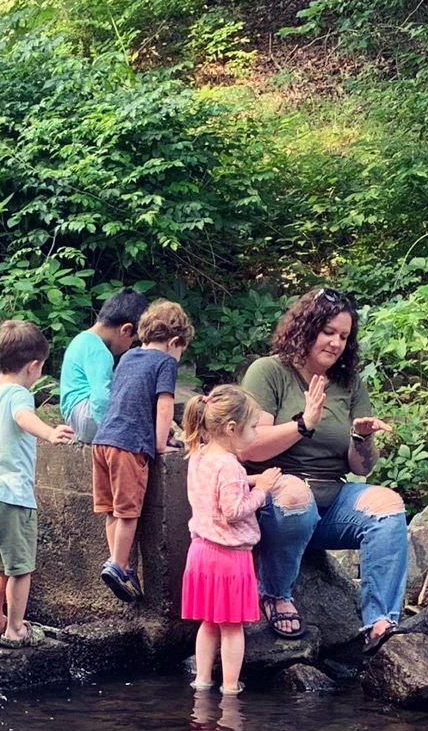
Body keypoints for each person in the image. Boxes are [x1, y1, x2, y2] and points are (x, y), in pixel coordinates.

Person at [238, 286, 409, 646]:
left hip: (330, 503)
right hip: (277, 499)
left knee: (388, 505)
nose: (335, 343)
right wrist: (304, 424)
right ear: (306, 328)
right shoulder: (269, 372)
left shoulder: (349, 383)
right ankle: (275, 593)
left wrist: (362, 438)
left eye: (344, 336)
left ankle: (379, 622)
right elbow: (249, 447)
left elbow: (360, 469)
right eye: (328, 331)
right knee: (296, 493)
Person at [0, 318, 75, 644]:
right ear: (33, 367)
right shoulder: (19, 394)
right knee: (19, 568)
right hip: (12, 497)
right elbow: (23, 418)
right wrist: (49, 432)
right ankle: (15, 627)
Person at [89, 300, 192, 602]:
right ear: (174, 342)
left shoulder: (129, 355)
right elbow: (163, 406)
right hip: (129, 445)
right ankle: (118, 565)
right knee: (129, 511)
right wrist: (162, 443)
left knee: (110, 509)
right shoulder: (166, 363)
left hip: (103, 440)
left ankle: (121, 564)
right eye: (180, 349)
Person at [180, 384, 278, 693]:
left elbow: (217, 488)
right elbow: (234, 510)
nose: (255, 433)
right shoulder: (231, 465)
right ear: (232, 428)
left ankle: (202, 680)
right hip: (228, 558)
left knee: (208, 623)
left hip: (200, 552)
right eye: (252, 428)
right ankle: (231, 687)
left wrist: (249, 480)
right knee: (233, 628)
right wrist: (261, 490)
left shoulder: (199, 454)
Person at [58, 288, 146, 441]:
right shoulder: (99, 351)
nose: (129, 347)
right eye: (133, 341)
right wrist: (113, 432)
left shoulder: (82, 339)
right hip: (86, 416)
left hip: (75, 416)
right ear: (126, 330)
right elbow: (101, 398)